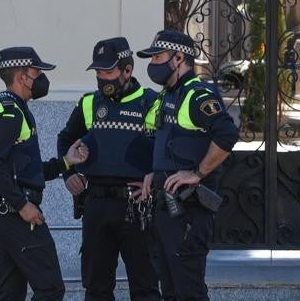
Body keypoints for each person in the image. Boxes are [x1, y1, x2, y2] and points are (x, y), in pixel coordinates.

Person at [0, 46, 90, 301]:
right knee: (50, 288)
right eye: (37, 73)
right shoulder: (10, 113)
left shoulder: (1, 107)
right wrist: (22, 206)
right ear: (21, 77)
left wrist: (65, 162)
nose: (42, 79)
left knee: (9, 294)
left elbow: (26, 170)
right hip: (15, 214)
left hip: (1, 211)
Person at [56, 37, 162, 301]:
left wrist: (156, 178)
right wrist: (68, 173)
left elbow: (168, 148)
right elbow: (65, 139)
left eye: (108, 71)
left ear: (127, 70)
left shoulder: (152, 102)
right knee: (96, 288)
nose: (103, 78)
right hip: (96, 204)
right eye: (99, 72)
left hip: (137, 206)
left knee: (146, 287)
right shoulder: (89, 103)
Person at [136, 29, 238, 301]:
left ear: (179, 57)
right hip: (164, 207)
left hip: (187, 211)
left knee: (188, 291)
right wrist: (154, 174)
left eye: (158, 56)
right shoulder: (168, 94)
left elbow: (227, 135)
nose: (153, 63)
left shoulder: (197, 94)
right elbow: (169, 144)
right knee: (170, 290)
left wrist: (197, 173)